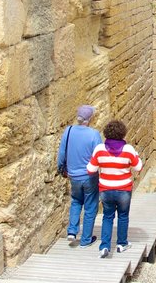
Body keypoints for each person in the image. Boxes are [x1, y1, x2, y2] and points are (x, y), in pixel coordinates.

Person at [87, 119, 143, 259]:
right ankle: (121, 244)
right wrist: (134, 156)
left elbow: (90, 169)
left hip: (106, 189)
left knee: (107, 217)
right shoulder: (128, 149)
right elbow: (138, 167)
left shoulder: (99, 149)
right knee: (123, 216)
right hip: (123, 189)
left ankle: (105, 246)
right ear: (122, 133)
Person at [56, 105, 103, 247]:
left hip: (73, 176)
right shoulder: (94, 134)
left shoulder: (68, 131)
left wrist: (61, 169)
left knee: (76, 201)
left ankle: (72, 231)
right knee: (90, 206)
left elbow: (62, 154)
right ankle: (86, 239)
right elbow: (99, 155)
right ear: (90, 118)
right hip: (90, 176)